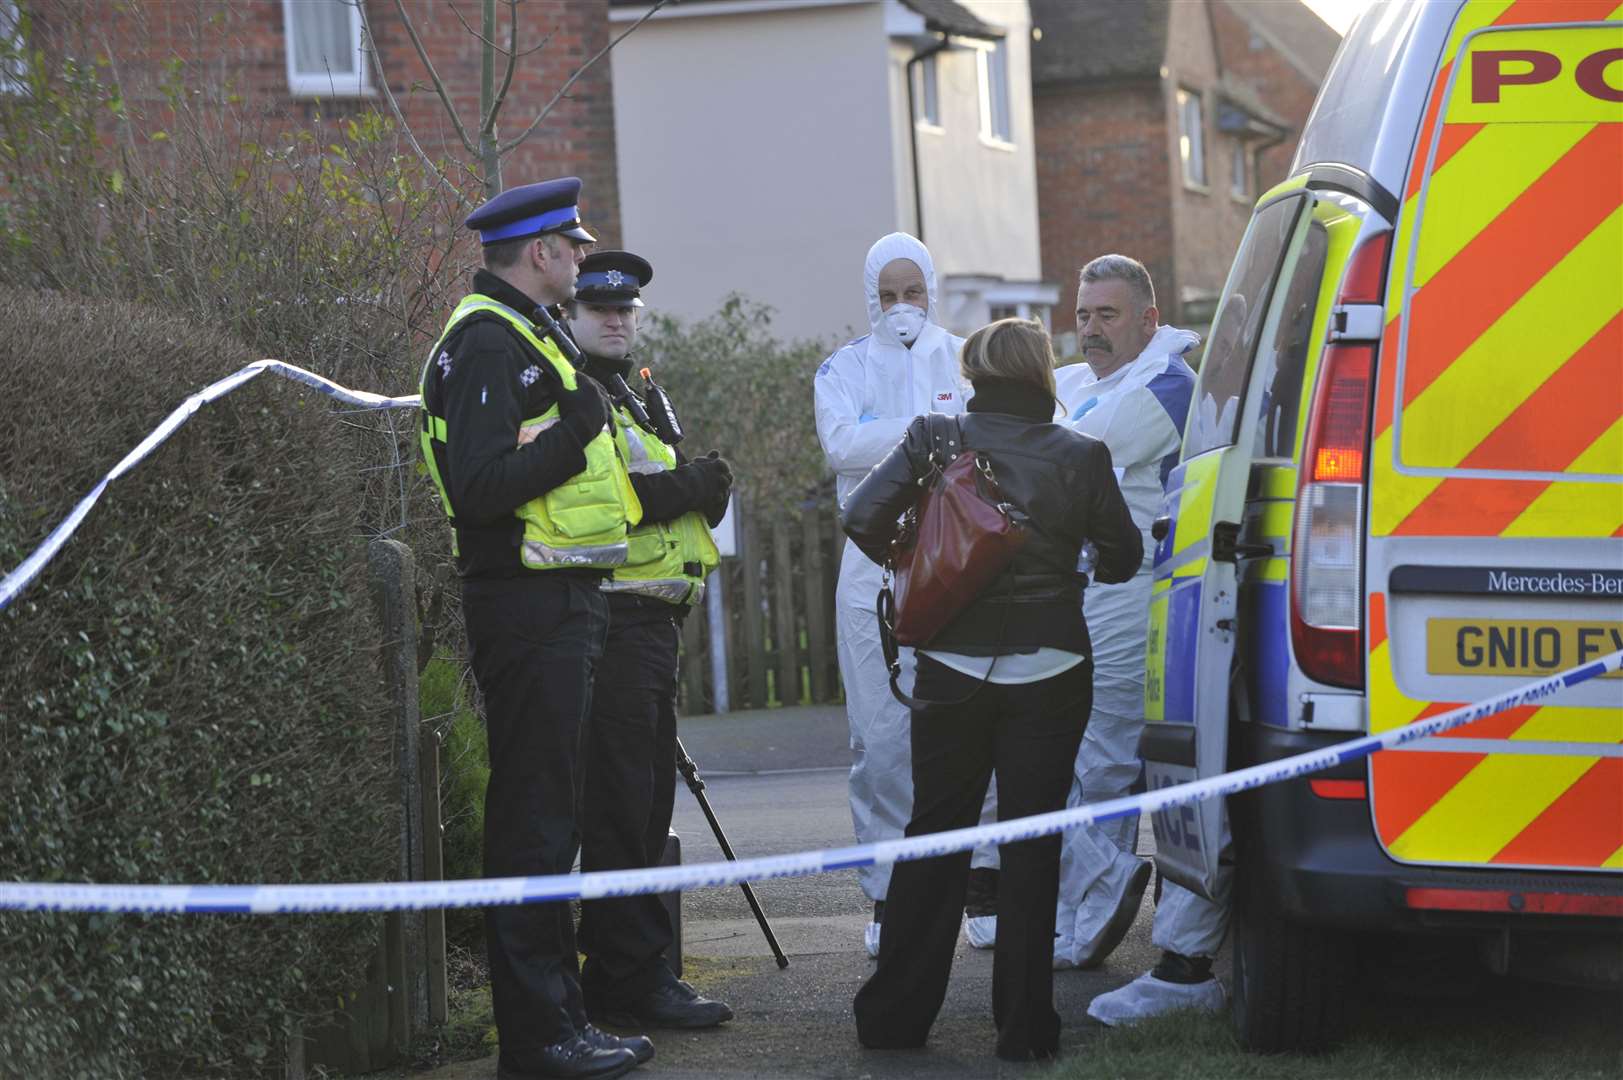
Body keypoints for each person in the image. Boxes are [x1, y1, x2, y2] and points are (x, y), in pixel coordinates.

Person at [847, 319, 1142, 1062]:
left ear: (974, 369)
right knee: (1031, 843)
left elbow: (859, 519)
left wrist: (930, 556)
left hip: (951, 668)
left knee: (935, 835)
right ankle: (1025, 1030)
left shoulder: (934, 436)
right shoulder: (1081, 453)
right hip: (1051, 668)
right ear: (1044, 373)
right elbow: (1121, 557)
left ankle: (895, 1021)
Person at [417, 178, 650, 1080]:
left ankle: (561, 1021)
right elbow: (476, 490)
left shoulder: (526, 332)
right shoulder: (485, 344)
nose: (586, 261)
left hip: (558, 600)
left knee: (552, 816)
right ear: (542, 252)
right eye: (575, 247)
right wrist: (579, 423)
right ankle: (540, 1038)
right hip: (524, 604)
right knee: (535, 820)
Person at [1046, 255, 1228, 1023]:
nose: (1090, 330)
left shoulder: (1165, 388)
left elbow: (1068, 456)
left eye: (1107, 315)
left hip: (1138, 596)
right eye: (1083, 315)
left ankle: (1102, 896)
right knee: (1089, 753)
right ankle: (1091, 913)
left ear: (1148, 320)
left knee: (1106, 754)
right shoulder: (1092, 383)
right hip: (1098, 589)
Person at [814, 233, 1002, 957]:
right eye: (887, 295)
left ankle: (983, 875)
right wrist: (932, 431)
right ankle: (892, 891)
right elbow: (840, 447)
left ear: (932, 290)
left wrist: (891, 437)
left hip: (962, 557)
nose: (901, 308)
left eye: (912, 292)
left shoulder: (965, 359)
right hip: (872, 564)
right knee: (881, 735)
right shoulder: (843, 367)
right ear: (870, 298)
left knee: (972, 718)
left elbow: (983, 436)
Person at [568, 250, 736, 1030]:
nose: (613, 318)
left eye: (624, 308)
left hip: (652, 620)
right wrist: (694, 486)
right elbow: (613, 501)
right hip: (610, 615)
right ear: (568, 314)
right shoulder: (572, 388)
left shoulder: (637, 389)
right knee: (622, 808)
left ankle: (626, 974)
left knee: (640, 804)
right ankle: (630, 980)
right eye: (597, 307)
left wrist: (694, 479)